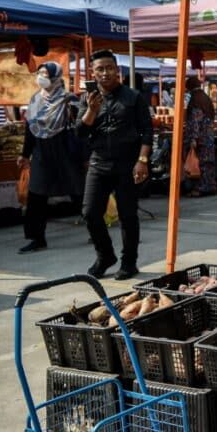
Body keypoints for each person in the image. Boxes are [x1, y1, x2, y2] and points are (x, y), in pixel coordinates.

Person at [76, 50, 153, 279]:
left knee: (128, 215)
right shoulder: (87, 99)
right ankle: (105, 256)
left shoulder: (133, 97)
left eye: (109, 68)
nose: (105, 73)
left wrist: (142, 161)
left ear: (117, 71)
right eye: (100, 69)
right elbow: (80, 132)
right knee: (90, 212)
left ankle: (129, 263)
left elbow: (147, 131)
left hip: (127, 164)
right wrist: (91, 109)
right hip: (99, 163)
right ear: (93, 73)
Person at [17, 62, 85, 253]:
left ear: (56, 76)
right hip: (41, 152)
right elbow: (30, 130)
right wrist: (25, 154)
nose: (41, 77)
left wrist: (85, 156)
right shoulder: (35, 99)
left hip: (64, 151)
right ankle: (36, 239)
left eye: (45, 74)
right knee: (36, 195)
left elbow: (81, 130)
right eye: (39, 73)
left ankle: (95, 227)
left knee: (78, 192)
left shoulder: (69, 99)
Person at [182, 76, 217, 196]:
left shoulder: (195, 100)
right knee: (208, 164)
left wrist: (193, 138)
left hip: (201, 138)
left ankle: (201, 188)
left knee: (200, 164)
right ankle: (210, 186)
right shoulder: (206, 98)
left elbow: (196, 121)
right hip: (209, 136)